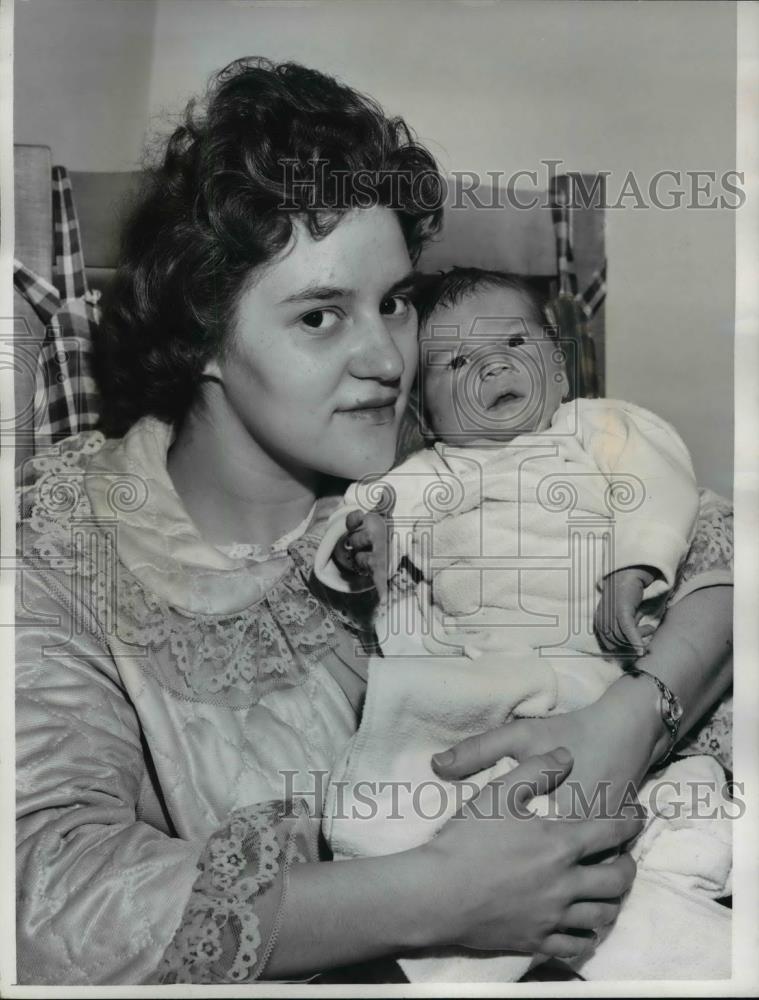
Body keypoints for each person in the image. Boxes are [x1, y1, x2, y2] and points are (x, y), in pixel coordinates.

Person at [15, 58, 733, 986]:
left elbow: (715, 541)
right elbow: (49, 895)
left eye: (393, 302)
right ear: (199, 335)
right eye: (320, 317)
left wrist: (634, 718)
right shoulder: (71, 547)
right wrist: (439, 895)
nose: (387, 360)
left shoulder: (445, 442)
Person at [314, 267, 733, 980]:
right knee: (403, 792)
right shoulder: (431, 472)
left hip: (603, 674)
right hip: (488, 686)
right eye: (455, 362)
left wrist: (632, 567)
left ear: (561, 368)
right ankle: (519, 903)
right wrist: (362, 546)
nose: (492, 365)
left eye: (512, 340)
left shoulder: (595, 428)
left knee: (692, 791)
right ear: (425, 411)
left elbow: (661, 491)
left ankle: (664, 860)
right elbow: (365, 515)